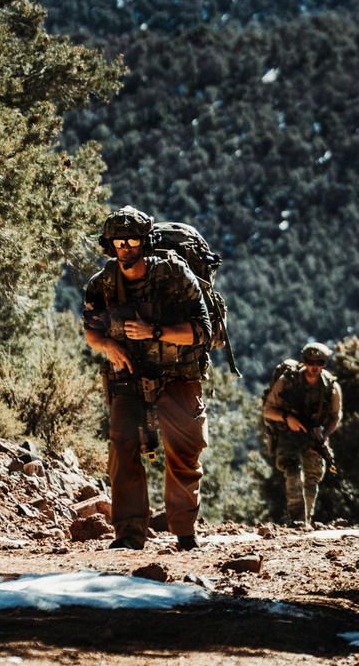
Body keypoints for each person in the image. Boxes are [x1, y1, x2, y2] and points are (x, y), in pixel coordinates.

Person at [84, 205, 212, 551]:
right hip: (127, 378)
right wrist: (108, 345)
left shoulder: (174, 275)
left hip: (177, 375)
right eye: (119, 242)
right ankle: (128, 535)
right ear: (110, 245)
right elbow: (91, 330)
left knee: (183, 451)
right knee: (122, 451)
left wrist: (153, 332)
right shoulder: (102, 284)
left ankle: (185, 533)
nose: (126, 248)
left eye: (132, 241)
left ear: (145, 242)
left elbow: (202, 331)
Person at [262, 341, 342, 528]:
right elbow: (268, 409)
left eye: (320, 362)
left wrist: (324, 436)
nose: (314, 366)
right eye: (310, 361)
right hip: (288, 434)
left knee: (313, 477)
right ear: (303, 361)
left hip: (313, 436)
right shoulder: (288, 380)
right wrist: (287, 417)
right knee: (293, 470)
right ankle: (297, 520)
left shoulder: (330, 386)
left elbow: (335, 416)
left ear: (325, 363)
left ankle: (306, 520)